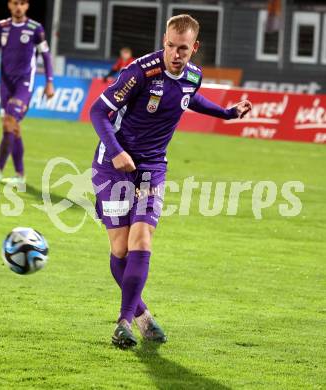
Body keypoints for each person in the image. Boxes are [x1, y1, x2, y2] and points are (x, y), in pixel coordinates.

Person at [90, 14, 252, 349]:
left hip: (152, 166)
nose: (175, 53)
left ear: (194, 48)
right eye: (169, 45)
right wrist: (118, 152)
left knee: (142, 241)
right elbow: (97, 111)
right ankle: (143, 316)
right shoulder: (140, 72)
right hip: (113, 165)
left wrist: (228, 113)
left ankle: (123, 323)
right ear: (163, 41)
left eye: (183, 48)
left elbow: (189, 97)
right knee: (120, 249)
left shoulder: (193, 75)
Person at [0, 0, 54, 185]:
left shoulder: (35, 28)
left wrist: (50, 82)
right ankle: (20, 175)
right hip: (5, 84)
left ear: (27, 6)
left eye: (23, 3)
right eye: (16, 3)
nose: (19, 7)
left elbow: (47, 57)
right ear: (9, 5)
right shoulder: (1, 26)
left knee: (9, 123)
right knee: (13, 128)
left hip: (24, 84)